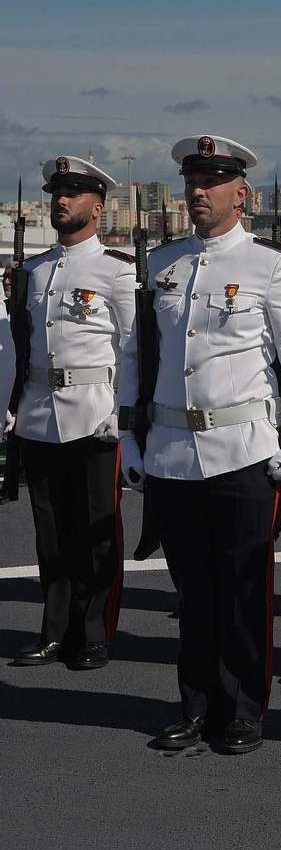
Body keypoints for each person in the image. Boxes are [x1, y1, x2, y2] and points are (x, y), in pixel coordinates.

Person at [123, 134, 281, 755]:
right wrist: (131, 435)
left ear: (244, 194)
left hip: (244, 450)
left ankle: (242, 708)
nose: (198, 193)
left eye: (211, 183)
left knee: (241, 589)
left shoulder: (272, 264)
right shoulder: (165, 265)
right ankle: (195, 703)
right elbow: (139, 357)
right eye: (192, 182)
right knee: (193, 590)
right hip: (173, 452)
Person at [7, 156, 134, 671]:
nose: (61, 201)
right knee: (51, 533)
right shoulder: (34, 271)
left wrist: (123, 413)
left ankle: (95, 632)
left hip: (93, 413)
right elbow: (17, 347)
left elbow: (132, 349)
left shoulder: (117, 271)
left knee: (96, 530)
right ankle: (54, 631)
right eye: (57, 193)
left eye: (74, 194)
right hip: (40, 413)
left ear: (97, 207)